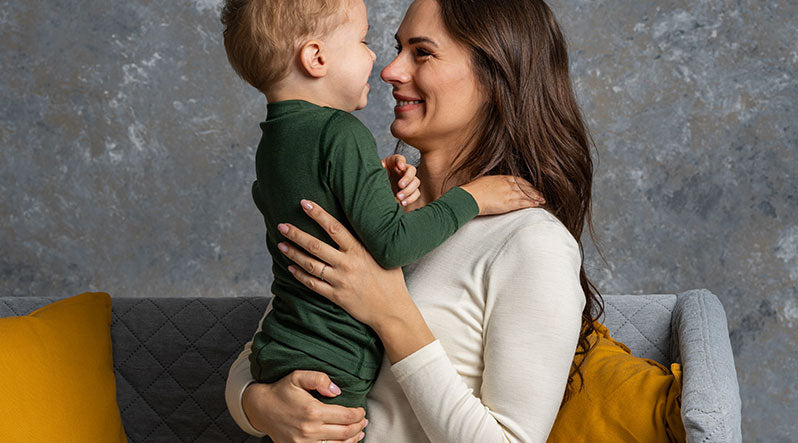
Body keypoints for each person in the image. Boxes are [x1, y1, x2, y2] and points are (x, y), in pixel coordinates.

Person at [225, 0, 602, 441]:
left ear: (495, 74)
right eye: (395, 47)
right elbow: (272, 337)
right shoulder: (369, 200)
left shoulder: (531, 243)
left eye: (421, 52)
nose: (389, 70)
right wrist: (258, 405)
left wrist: (392, 315)